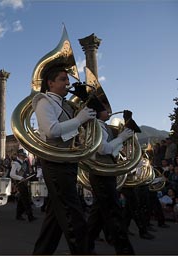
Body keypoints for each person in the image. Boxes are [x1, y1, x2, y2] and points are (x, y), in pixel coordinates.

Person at [31, 65, 97, 255]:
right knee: (72, 212)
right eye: (62, 79)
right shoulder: (44, 101)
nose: (68, 83)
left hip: (66, 161)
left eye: (67, 79)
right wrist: (79, 120)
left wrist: (84, 117)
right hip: (54, 162)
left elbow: (70, 131)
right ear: (50, 83)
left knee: (56, 215)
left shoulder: (64, 104)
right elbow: (52, 130)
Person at [86, 107, 135, 254]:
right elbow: (102, 149)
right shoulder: (96, 125)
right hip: (101, 172)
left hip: (106, 171)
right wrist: (121, 138)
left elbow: (113, 151)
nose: (109, 112)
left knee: (99, 214)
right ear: (98, 111)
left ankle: (85, 247)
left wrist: (125, 130)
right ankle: (125, 251)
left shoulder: (104, 126)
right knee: (114, 212)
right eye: (106, 109)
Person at [10, 148, 37, 222]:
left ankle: (18, 215)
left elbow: (27, 173)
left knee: (22, 200)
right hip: (20, 183)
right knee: (26, 199)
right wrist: (20, 178)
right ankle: (30, 216)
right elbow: (12, 174)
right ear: (19, 155)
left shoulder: (25, 163)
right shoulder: (15, 163)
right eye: (23, 155)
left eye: (24, 155)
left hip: (25, 182)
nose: (24, 157)